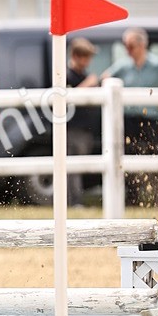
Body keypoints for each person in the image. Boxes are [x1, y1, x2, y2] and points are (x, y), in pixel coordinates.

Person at [103, 27, 158, 207]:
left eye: (130, 45)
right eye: (125, 45)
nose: (127, 49)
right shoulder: (123, 65)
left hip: (153, 120)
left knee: (156, 155)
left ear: (142, 45)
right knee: (127, 155)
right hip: (129, 119)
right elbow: (105, 78)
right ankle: (131, 198)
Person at [66, 37, 100, 207]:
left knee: (78, 167)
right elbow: (66, 97)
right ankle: (74, 202)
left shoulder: (83, 75)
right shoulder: (66, 75)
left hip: (85, 130)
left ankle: (75, 200)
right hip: (73, 129)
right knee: (72, 167)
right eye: (85, 57)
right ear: (75, 56)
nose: (88, 61)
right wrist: (89, 84)